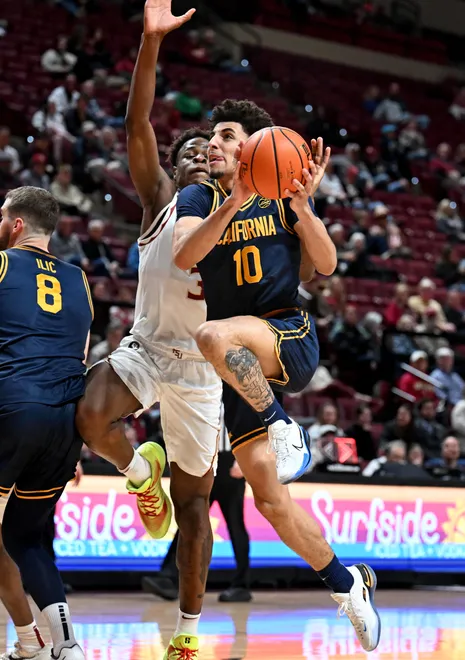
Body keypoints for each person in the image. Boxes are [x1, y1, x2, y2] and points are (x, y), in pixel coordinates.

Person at [174, 100, 381, 651]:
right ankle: (347, 585)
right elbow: (182, 254)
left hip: (286, 333)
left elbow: (327, 264)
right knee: (269, 498)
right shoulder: (197, 197)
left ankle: (281, 422)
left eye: (227, 134)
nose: (213, 143)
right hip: (239, 368)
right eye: (211, 135)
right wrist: (232, 206)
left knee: (212, 334)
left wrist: (304, 206)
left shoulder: (281, 194)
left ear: (253, 147)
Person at [74, 3, 222, 659]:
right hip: (145, 351)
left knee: (194, 511)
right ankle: (140, 472)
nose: (195, 154)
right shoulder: (160, 197)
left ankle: (187, 633)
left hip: (201, 372)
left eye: (205, 151)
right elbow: (136, 120)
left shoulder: (237, 217)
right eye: (184, 149)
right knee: (88, 415)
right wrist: (150, 44)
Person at [0, 186, 93, 659]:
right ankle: (65, 644)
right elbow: (77, 359)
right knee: (23, 536)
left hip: (12, 408)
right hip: (63, 427)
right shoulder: (79, 280)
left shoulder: (1, 264)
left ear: (15, 224)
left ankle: (25, 638)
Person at [142, 415, 252, 604]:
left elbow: (249, 422)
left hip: (229, 463)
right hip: (205, 462)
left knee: (235, 524)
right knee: (190, 520)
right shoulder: (205, 388)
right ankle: (169, 577)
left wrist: (243, 459)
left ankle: (241, 584)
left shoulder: (237, 391)